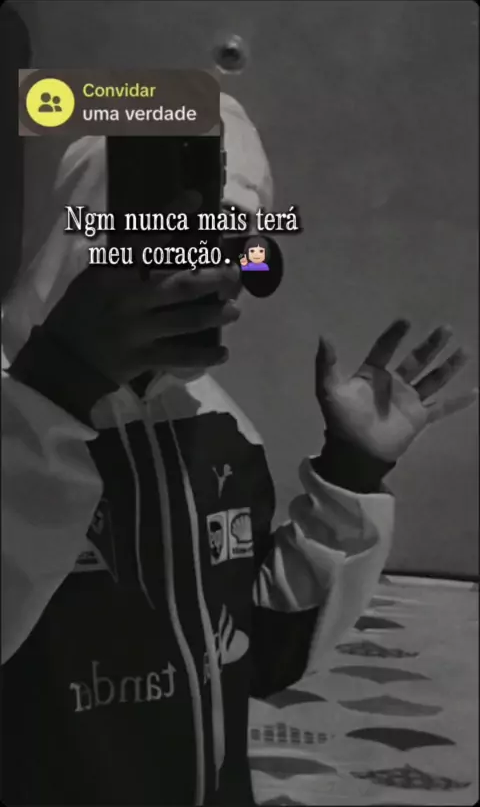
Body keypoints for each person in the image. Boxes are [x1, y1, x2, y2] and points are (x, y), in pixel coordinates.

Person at [1, 94, 477, 807]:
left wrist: (352, 470)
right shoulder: (12, 405)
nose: (210, 276)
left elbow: (264, 646)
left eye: (234, 251)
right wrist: (55, 389)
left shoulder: (219, 423)